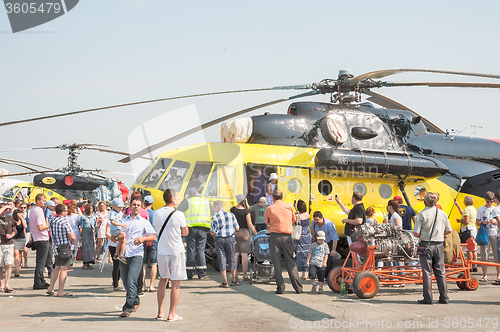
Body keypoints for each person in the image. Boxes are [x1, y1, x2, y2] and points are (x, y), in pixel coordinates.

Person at [116, 197, 156, 318]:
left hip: (137, 255)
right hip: (124, 255)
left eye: (138, 205)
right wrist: (120, 237)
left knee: (131, 280)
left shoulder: (143, 222)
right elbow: (117, 238)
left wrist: (143, 238)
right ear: (130, 205)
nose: (136, 207)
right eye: (134, 204)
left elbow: (153, 237)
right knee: (126, 282)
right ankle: (136, 300)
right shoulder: (124, 220)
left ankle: (127, 308)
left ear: (141, 206)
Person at [154, 189, 188, 321]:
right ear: (172, 199)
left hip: (162, 250)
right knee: (176, 282)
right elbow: (185, 232)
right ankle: (172, 313)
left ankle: (160, 312)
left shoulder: (156, 213)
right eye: (177, 196)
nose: (179, 198)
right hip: (176, 250)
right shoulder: (178, 214)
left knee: (163, 280)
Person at [413, 192, 452, 304]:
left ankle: (428, 297)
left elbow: (416, 233)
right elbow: (449, 230)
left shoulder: (421, 214)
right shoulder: (442, 213)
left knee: (426, 272)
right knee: (441, 271)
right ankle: (444, 297)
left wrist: (424, 235)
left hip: (426, 244)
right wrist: (439, 234)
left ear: (424, 202)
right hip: (439, 244)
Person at [265, 190, 303, 294]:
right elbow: (294, 220)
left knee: (276, 263)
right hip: (287, 237)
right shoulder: (289, 207)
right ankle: (298, 288)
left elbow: (266, 222)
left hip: (274, 237)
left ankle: (280, 288)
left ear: (273, 198)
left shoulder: (269, 208)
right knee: (291, 262)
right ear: (282, 197)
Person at [178, 188, 214, 279]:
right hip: (203, 229)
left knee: (191, 250)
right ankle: (201, 273)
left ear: (189, 194)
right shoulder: (206, 202)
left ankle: (189, 273)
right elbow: (213, 213)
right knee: (200, 250)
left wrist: (185, 198)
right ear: (197, 193)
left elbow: (178, 209)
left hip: (191, 229)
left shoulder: (189, 201)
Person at [47, 204, 76, 297]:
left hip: (56, 246)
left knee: (57, 267)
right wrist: (74, 243)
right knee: (64, 269)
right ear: (62, 212)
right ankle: (61, 290)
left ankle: (50, 288)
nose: (67, 212)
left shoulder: (52, 221)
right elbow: (72, 236)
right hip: (65, 246)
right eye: (66, 211)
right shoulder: (64, 221)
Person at [210, 200, 240, 288]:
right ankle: (234, 280)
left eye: (214, 208)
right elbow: (237, 228)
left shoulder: (215, 217)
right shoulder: (231, 215)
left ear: (217, 207)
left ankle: (225, 282)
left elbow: (212, 232)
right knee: (231, 258)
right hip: (230, 239)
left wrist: (215, 234)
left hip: (219, 240)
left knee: (222, 259)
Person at [231, 194, 257, 281]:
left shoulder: (232, 210)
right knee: (244, 255)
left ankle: (234, 275)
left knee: (235, 254)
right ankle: (245, 276)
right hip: (245, 233)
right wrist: (256, 234)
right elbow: (250, 224)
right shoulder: (246, 211)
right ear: (244, 201)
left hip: (235, 233)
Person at [29, 194, 51, 290]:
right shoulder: (39, 211)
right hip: (42, 238)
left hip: (37, 238)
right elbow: (40, 227)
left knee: (40, 261)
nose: (44, 202)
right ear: (38, 201)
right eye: (43, 200)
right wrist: (48, 225)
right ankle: (38, 282)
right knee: (41, 262)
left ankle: (41, 280)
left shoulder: (32, 210)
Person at [476, 191, 497, 283]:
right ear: (485, 200)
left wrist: (495, 222)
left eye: (492, 201)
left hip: (495, 233)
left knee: (497, 256)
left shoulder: (496, 209)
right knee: (484, 256)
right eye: (488, 201)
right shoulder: (480, 209)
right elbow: (477, 222)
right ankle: (485, 275)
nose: (490, 203)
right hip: (485, 234)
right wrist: (483, 222)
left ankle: (498, 276)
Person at [310, 211, 339, 278]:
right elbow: (313, 230)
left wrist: (333, 250)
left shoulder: (329, 225)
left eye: (317, 220)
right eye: (315, 219)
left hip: (329, 241)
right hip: (319, 241)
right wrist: (314, 237)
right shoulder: (313, 222)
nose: (316, 221)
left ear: (321, 218)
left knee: (329, 259)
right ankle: (318, 273)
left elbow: (335, 237)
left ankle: (328, 276)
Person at [454, 196, 478, 272]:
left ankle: (469, 266)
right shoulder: (473, 208)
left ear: (465, 202)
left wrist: (460, 221)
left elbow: (466, 221)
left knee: (468, 249)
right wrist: (457, 206)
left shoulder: (467, 209)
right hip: (473, 228)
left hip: (467, 229)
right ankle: (475, 265)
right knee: (474, 248)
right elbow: (463, 214)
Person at [106, 198, 125, 290]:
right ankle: (115, 283)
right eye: (119, 207)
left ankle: (117, 281)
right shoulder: (111, 217)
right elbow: (107, 233)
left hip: (120, 242)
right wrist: (115, 238)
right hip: (113, 244)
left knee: (121, 265)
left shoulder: (121, 215)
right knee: (116, 265)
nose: (120, 209)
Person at [293, 199, 312, 280]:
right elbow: (300, 213)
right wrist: (296, 208)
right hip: (307, 235)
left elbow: (294, 222)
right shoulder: (307, 214)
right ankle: (307, 273)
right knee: (307, 253)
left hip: (300, 236)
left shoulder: (297, 216)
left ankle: (303, 274)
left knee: (300, 254)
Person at [142, 195, 157, 292]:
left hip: (143, 239)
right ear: (152, 203)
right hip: (153, 240)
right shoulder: (155, 214)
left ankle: (143, 285)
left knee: (143, 264)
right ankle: (152, 285)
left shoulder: (141, 213)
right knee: (154, 263)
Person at [0, 204, 16, 293]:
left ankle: (7, 284)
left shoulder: (10, 218)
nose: (5, 211)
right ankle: (1, 284)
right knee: (0, 265)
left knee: (9, 264)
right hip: (0, 244)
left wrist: (12, 235)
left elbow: (15, 229)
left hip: (9, 243)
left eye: (6, 210)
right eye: (4, 209)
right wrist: (5, 207)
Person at [79, 204, 96, 270]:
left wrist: (99, 223)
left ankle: (89, 262)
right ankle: (85, 263)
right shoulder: (83, 217)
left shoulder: (93, 217)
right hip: (85, 232)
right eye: (90, 208)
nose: (91, 210)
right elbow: (81, 227)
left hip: (91, 232)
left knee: (90, 247)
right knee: (85, 247)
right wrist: (80, 236)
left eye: (92, 208)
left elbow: (95, 225)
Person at [11, 209, 27, 278]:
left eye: (20, 213)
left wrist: (22, 218)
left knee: (20, 255)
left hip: (21, 238)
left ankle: (17, 268)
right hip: (15, 239)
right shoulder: (13, 221)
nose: (19, 214)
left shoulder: (22, 220)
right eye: (18, 213)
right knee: (16, 254)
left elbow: (25, 226)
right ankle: (16, 271)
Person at [20, 202, 29, 268]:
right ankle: (20, 263)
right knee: (20, 249)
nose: (23, 209)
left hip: (28, 232)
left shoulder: (28, 214)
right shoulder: (19, 214)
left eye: (24, 207)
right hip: (20, 233)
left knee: (25, 249)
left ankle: (25, 263)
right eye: (21, 207)